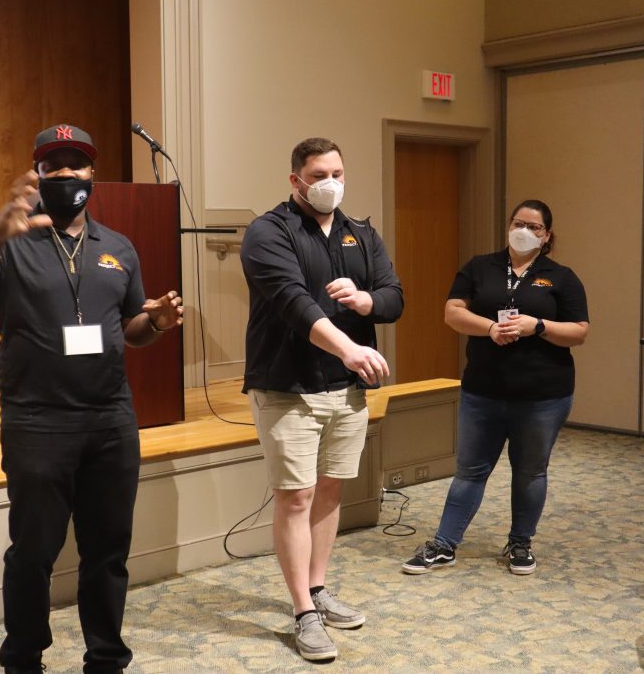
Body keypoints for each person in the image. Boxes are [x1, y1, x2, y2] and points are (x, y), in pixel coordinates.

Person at [0, 124, 183, 674]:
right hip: (37, 423)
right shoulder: (5, 240)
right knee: (33, 553)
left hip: (110, 421)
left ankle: (106, 658)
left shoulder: (117, 247)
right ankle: (23, 659)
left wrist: (155, 322)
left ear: (93, 174)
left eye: (77, 164)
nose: (66, 173)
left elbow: (130, 330)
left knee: (108, 552)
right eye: (53, 165)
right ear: (37, 174)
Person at [240, 137, 403, 661]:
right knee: (296, 496)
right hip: (287, 385)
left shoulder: (362, 234)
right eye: (318, 175)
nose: (330, 183)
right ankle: (303, 612)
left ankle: (318, 587)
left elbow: (394, 297)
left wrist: (366, 300)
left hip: (345, 389)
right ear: (296, 180)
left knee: (330, 490)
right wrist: (350, 348)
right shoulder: (269, 231)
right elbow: (293, 302)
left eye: (337, 173)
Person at [401, 199, 588, 578]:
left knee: (530, 472)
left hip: (543, 396)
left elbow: (579, 331)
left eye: (534, 227)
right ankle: (444, 544)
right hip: (483, 391)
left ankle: (520, 543)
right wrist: (489, 328)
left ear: (546, 236)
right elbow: (453, 312)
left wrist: (538, 326)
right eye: (518, 223)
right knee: (469, 471)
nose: (524, 231)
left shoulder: (561, 277)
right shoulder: (480, 267)